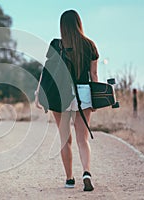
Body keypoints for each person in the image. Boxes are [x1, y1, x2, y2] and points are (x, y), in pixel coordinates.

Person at [51, 10, 99, 191]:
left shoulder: (56, 45)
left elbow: (47, 73)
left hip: (61, 94)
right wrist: (94, 100)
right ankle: (86, 172)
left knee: (65, 139)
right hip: (84, 93)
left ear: (62, 26)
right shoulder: (90, 45)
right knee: (82, 139)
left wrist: (39, 93)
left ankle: (69, 179)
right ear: (79, 23)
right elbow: (94, 75)